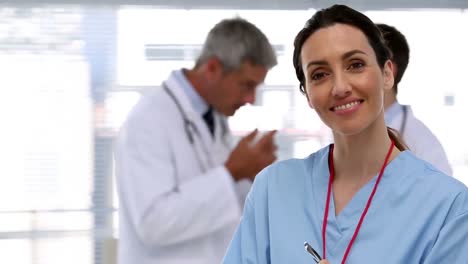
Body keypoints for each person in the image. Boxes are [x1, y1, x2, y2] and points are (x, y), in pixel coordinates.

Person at [223, 5, 468, 264]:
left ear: (387, 74)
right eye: (320, 74)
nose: (340, 87)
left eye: (355, 64)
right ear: (307, 94)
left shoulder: (448, 206)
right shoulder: (273, 190)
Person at [115, 17, 278, 264]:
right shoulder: (147, 120)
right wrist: (232, 172)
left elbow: (220, 203)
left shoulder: (213, 117)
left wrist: (253, 176)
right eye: (246, 85)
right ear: (212, 68)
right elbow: (152, 224)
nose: (250, 99)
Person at [377, 23, 452, 176]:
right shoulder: (349, 131)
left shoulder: (423, 144)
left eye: (357, 64)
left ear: (387, 72)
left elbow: (444, 198)